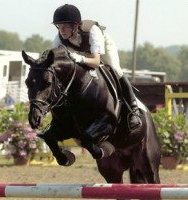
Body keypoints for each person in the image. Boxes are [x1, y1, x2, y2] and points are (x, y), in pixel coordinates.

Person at [52, 4, 142, 158]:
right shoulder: (58, 39)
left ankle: (133, 109)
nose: (62, 30)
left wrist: (79, 58)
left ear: (76, 26)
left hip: (101, 49)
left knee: (115, 68)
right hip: (81, 53)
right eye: (59, 26)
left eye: (65, 26)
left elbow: (95, 61)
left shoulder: (93, 31)